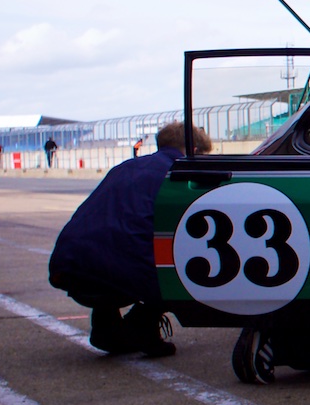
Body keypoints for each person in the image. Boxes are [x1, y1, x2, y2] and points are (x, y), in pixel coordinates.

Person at [49, 122, 213, 356]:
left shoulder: (124, 167)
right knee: (192, 261)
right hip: (119, 274)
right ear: (194, 150)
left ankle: (107, 326)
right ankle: (143, 326)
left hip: (68, 267)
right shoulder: (179, 174)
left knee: (117, 247)